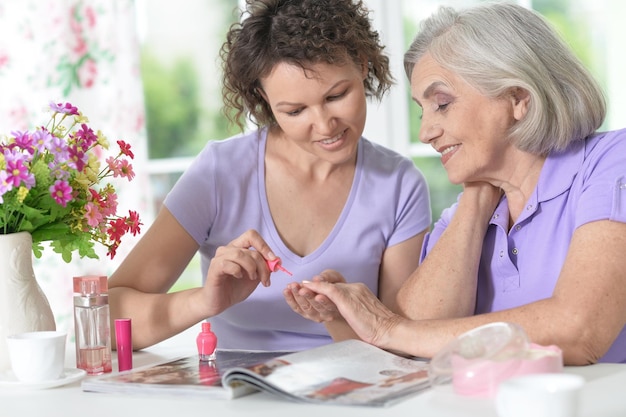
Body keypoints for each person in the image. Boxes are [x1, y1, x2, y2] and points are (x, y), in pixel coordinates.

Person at [288, 2, 626, 365]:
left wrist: (386, 326)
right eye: (422, 109)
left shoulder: (612, 161)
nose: (426, 132)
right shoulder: (462, 218)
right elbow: (412, 346)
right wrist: (477, 198)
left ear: (517, 98)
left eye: (442, 104)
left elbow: (578, 331)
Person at [108, 0, 431, 352]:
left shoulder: (399, 184)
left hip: (351, 394)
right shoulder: (220, 173)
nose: (325, 125)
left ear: (363, 65)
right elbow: (109, 318)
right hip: (239, 400)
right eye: (295, 110)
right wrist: (206, 301)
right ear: (263, 97)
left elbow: (400, 346)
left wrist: (337, 317)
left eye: (337, 95)